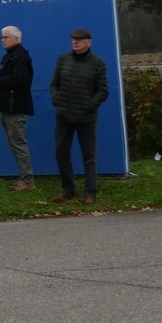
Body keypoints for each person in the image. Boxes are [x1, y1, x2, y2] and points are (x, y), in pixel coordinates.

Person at [50, 27, 109, 205]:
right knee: (61, 152)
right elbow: (54, 84)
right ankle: (69, 189)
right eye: (73, 39)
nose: (75, 42)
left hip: (86, 118)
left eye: (79, 39)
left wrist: (89, 105)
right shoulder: (63, 59)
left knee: (88, 156)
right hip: (64, 116)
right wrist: (57, 100)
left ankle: (90, 192)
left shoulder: (98, 63)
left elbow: (103, 91)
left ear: (88, 42)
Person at [0, 25, 35, 191]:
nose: (2, 40)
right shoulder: (10, 57)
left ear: (16, 38)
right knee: (13, 144)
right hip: (7, 107)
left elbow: (21, 80)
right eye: (2, 37)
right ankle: (24, 178)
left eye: (5, 37)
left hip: (15, 107)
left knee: (18, 144)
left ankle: (28, 180)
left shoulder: (20, 57)